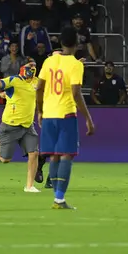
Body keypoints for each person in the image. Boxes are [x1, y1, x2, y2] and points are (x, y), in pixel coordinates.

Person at [36, 27, 95, 209]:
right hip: (66, 114)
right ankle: (60, 199)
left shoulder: (49, 61)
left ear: (60, 43)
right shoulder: (76, 65)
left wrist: (40, 111)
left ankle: (57, 198)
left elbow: (38, 88)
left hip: (49, 114)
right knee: (66, 155)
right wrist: (88, 118)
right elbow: (76, 93)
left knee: (54, 156)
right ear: (77, 44)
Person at [0, 61, 43, 193]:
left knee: (34, 153)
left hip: (28, 125)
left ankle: (29, 186)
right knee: (5, 159)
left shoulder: (37, 81)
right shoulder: (14, 80)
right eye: (30, 66)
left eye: (34, 66)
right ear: (23, 67)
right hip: (10, 125)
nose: (32, 68)